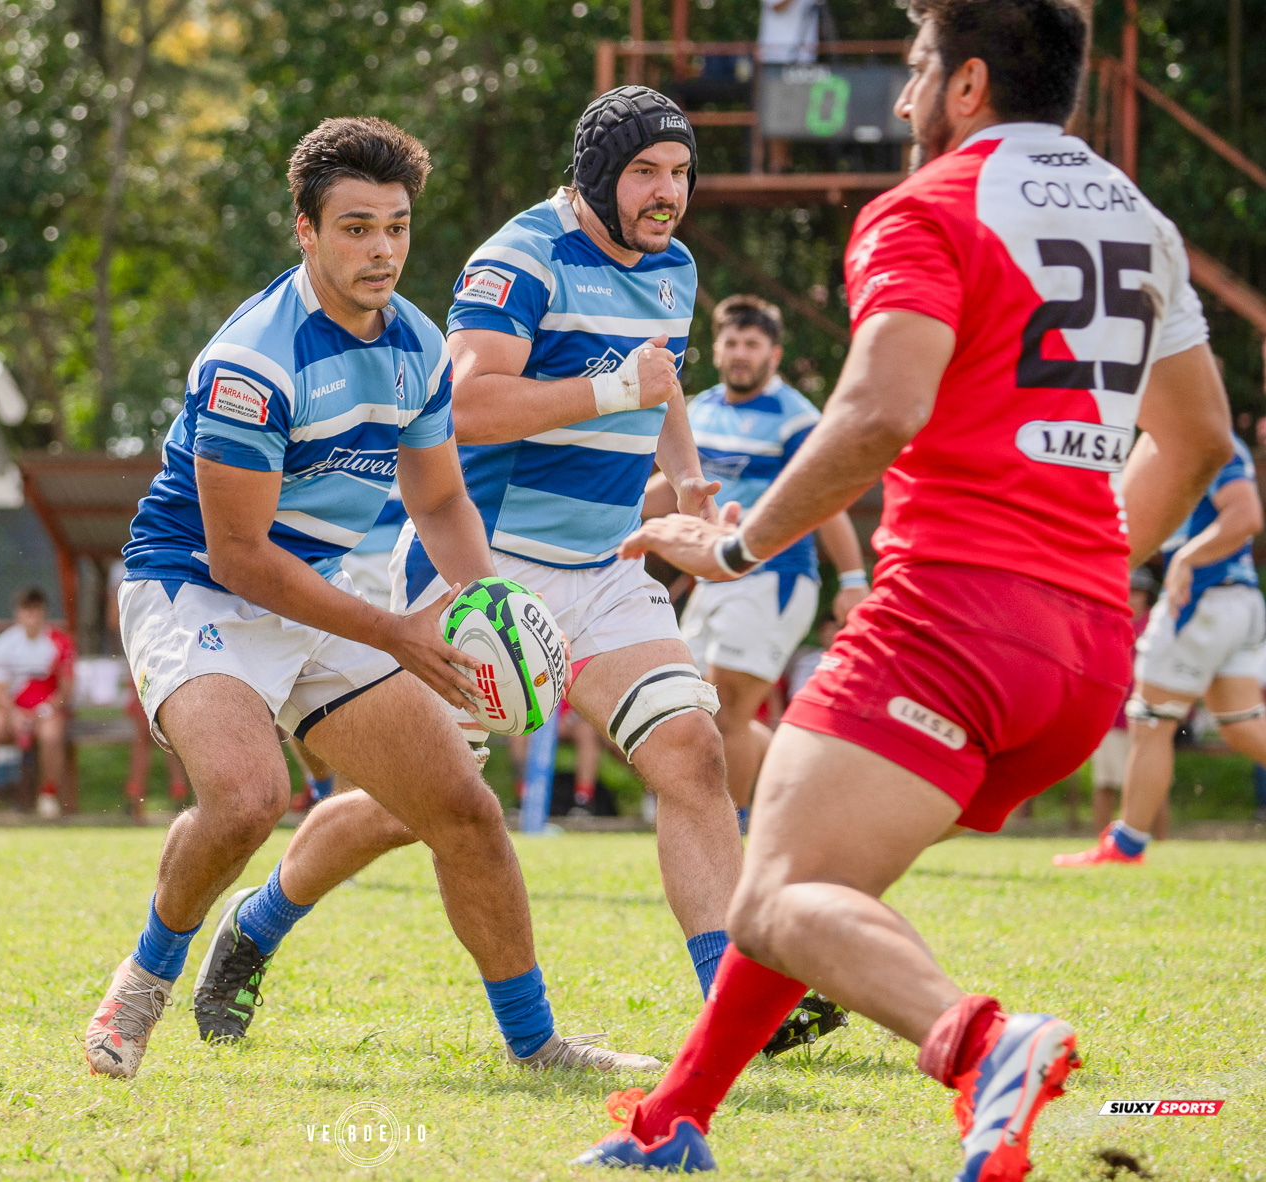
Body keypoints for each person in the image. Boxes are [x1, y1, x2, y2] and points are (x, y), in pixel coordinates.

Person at [575, 0, 1232, 1173]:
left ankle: (985, 1045)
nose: (900, 96)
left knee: (769, 900)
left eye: (918, 68)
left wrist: (735, 548)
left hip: (949, 624)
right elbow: (1192, 440)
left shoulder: (929, 207)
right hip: (1086, 656)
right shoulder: (1144, 221)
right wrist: (1075, 566)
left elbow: (881, 409)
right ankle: (671, 1124)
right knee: (804, 889)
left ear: (967, 83)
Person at [195, 88, 838, 1060]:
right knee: (417, 809)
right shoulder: (519, 257)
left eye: (680, 173)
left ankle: (738, 1006)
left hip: (608, 565)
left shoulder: (675, 262)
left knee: (692, 756)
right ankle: (258, 922)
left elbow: (660, 379)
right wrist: (614, 387)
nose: (669, 194)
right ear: (595, 176)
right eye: (645, 174)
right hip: (484, 571)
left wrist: (689, 479)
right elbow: (465, 405)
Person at [89, 116, 659, 1080]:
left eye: (396, 226)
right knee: (247, 799)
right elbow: (238, 556)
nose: (382, 249)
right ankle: (142, 983)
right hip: (195, 587)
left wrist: (491, 601)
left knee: (464, 811)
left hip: (320, 590)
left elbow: (436, 495)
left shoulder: (419, 346)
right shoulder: (253, 362)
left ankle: (537, 1044)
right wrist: (396, 633)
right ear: (304, 232)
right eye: (355, 228)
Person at [677, 294, 869, 824]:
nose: (741, 353)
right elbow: (676, 488)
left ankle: (728, 830)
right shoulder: (700, 410)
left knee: (729, 707)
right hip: (713, 577)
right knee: (688, 707)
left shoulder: (796, 418)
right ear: (716, 350)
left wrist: (853, 579)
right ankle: (797, 777)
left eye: (753, 344)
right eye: (732, 342)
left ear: (774, 355)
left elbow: (823, 499)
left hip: (774, 578)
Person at [1055, 430, 1266, 866]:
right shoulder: (1184, 439)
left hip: (1202, 599)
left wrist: (1187, 558)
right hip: (1237, 599)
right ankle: (1127, 842)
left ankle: (1126, 845)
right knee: (1241, 726)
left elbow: (1246, 515)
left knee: (1150, 721)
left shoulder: (1209, 438)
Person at [0, 587, 75, 821]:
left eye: (36, 611)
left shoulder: (59, 642)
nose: (31, 617)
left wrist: (44, 710)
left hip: (46, 713)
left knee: (51, 735)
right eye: (26, 611)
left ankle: (48, 797)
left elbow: (66, 688)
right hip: (12, 712)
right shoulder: (3, 644)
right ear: (18, 613)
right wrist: (14, 715)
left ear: (43, 613)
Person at [1078, 569, 1158, 835]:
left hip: (1148, 715)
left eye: (1137, 592)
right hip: (1111, 717)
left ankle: (1158, 840)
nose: (1132, 597)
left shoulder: (1157, 626)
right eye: (1128, 591)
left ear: (1146, 597)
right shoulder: (1107, 622)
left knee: (1150, 785)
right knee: (1106, 782)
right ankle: (1102, 838)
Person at [108, 559, 187, 821]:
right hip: (140, 659)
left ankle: (179, 795)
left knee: (174, 730)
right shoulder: (122, 567)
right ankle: (136, 798)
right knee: (143, 734)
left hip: (172, 655)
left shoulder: (172, 554)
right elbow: (114, 618)